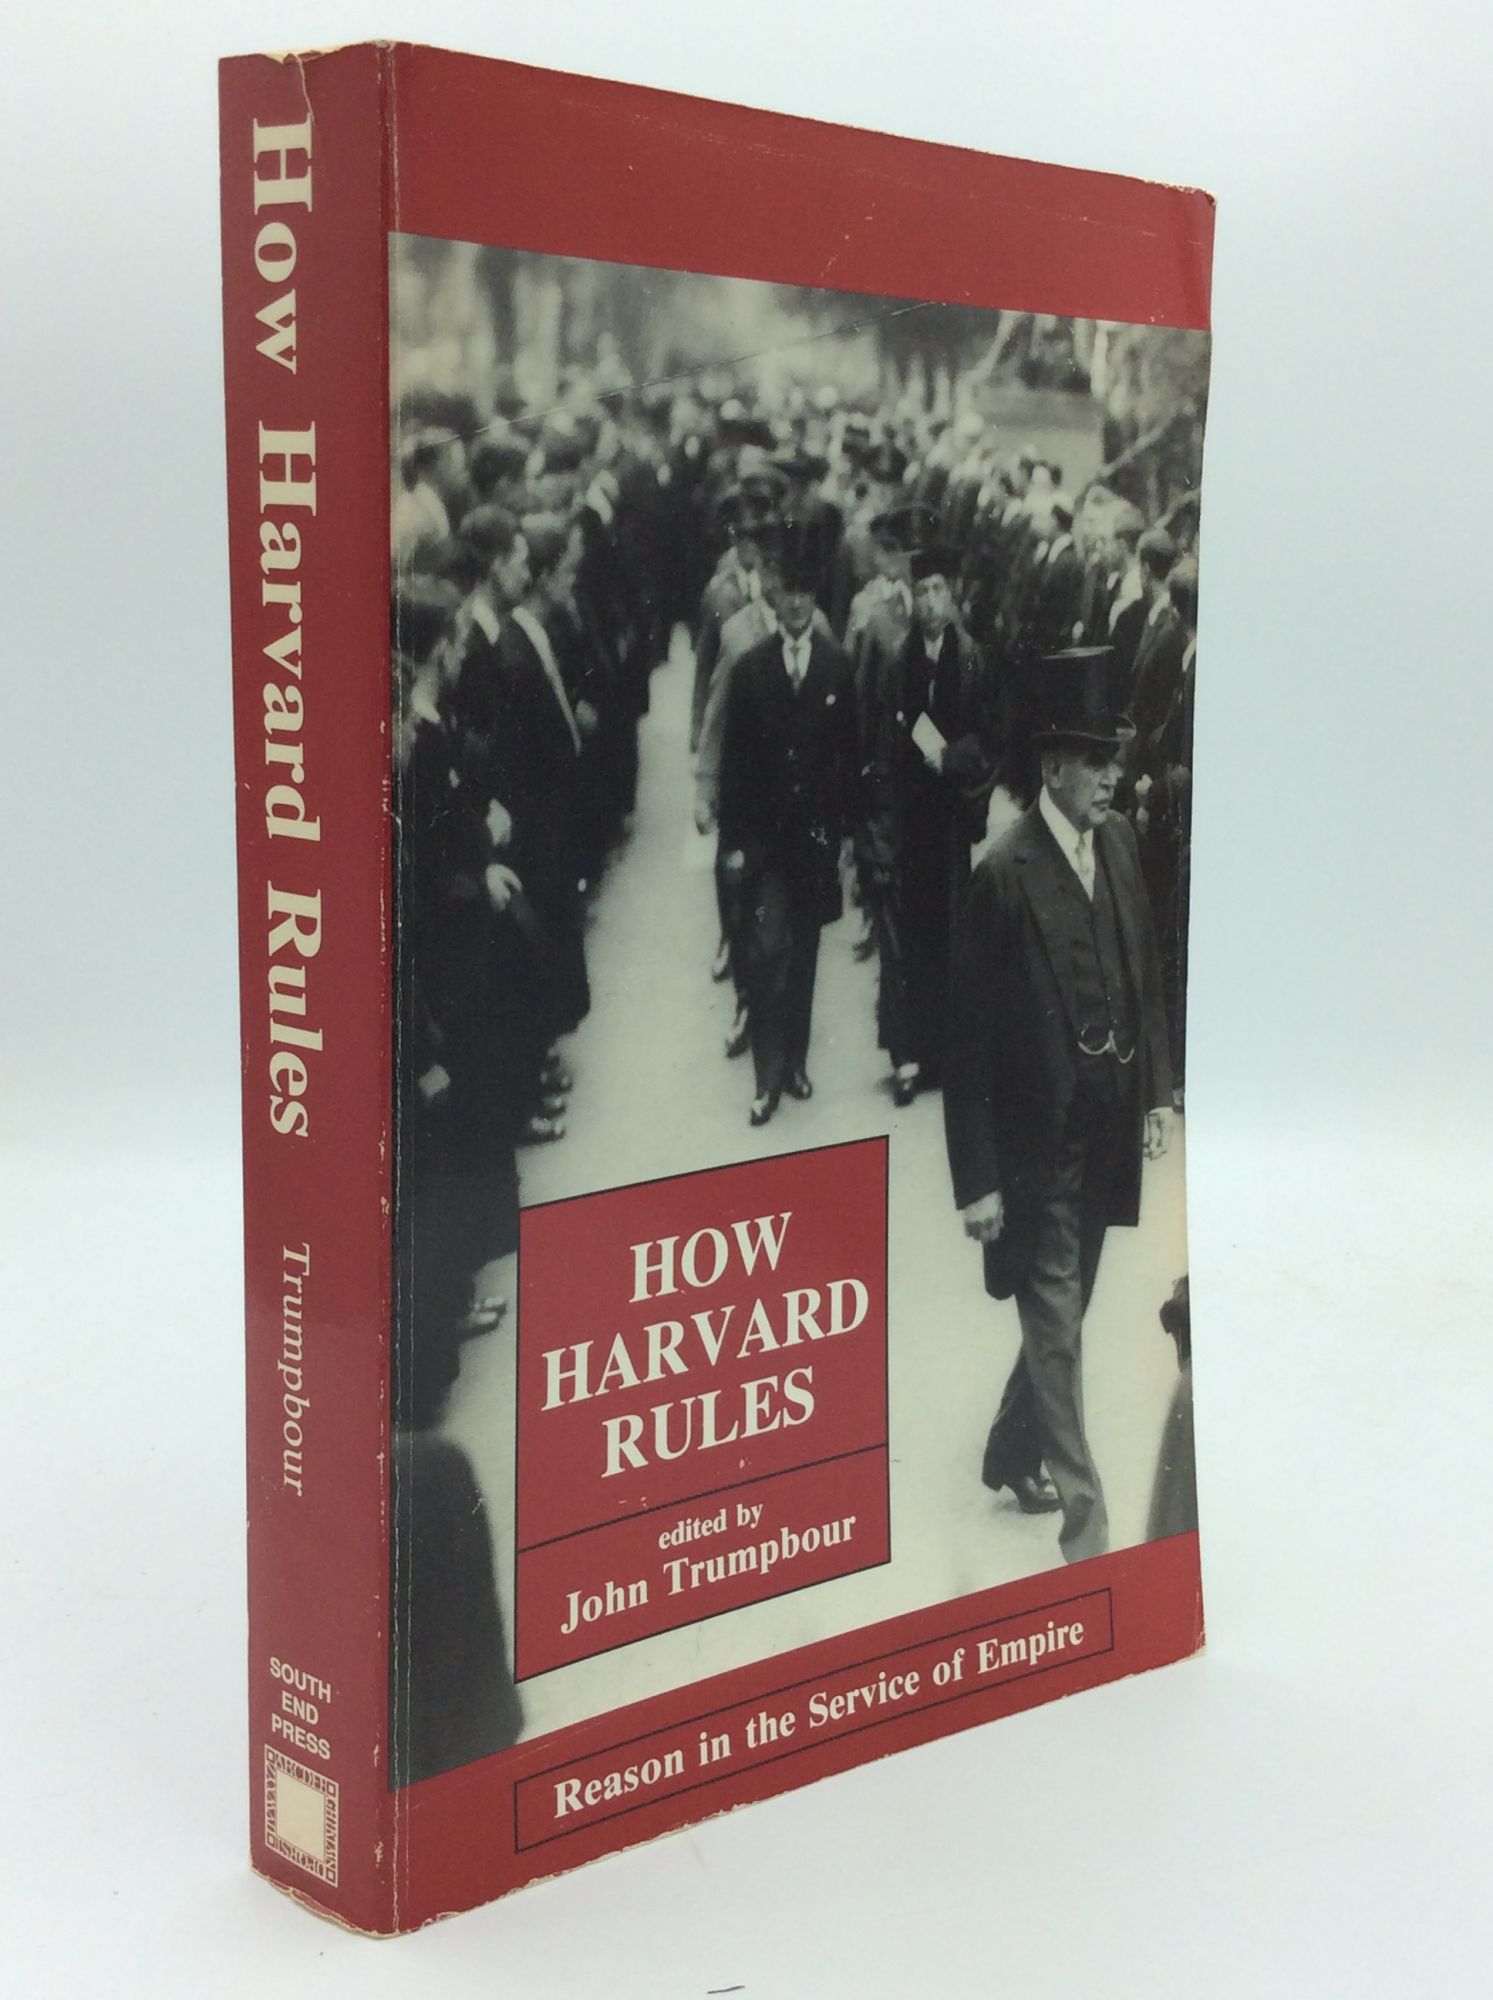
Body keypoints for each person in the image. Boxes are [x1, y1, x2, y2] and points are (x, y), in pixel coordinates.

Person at [943, 646, 1173, 1562]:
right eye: (1095, 759)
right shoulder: (1002, 875)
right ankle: (1090, 1537)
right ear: (1052, 768)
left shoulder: (1114, 843)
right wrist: (977, 1183)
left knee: (1061, 1319)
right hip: (1037, 1155)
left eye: (1115, 757)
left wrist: (1155, 1093)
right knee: (1058, 1331)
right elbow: (965, 1046)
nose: (1113, 775)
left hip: (1106, 1130)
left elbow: (1142, 967)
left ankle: (1010, 1448)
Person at [716, 536, 858, 1126]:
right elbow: (733, 767)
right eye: (788, 594)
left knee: (804, 956)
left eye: (805, 594)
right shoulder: (752, 670)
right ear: (774, 599)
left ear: (815, 599)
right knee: (766, 952)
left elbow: (850, 758)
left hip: (816, 845)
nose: (796, 604)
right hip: (765, 846)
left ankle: (796, 1063)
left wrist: (847, 838)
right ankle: (767, 1077)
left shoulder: (836, 667)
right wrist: (734, 845)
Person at [868, 540, 1001, 1106]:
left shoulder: (971, 661)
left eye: (939, 590)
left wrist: (950, 759)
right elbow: (879, 741)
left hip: (949, 822)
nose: (930, 602)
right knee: (905, 936)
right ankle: (908, 1054)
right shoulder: (896, 662)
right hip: (908, 819)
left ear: (952, 595)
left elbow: (990, 740)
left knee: (949, 933)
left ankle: (947, 1053)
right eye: (921, 591)